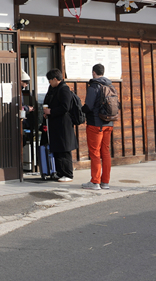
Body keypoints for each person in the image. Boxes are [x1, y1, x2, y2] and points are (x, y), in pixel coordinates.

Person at [82, 63, 115, 191]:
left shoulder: (94, 87)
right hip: (109, 123)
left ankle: (95, 181)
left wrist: (80, 109)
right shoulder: (110, 85)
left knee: (95, 153)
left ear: (93, 73)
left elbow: (88, 106)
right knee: (105, 152)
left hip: (95, 124)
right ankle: (105, 182)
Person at [43, 69, 78, 182]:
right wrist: (47, 113)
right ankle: (60, 172)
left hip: (64, 124)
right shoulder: (54, 89)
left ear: (55, 79)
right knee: (57, 148)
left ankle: (68, 174)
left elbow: (65, 107)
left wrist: (51, 111)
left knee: (64, 149)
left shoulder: (64, 89)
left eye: (50, 80)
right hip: (56, 124)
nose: (49, 83)